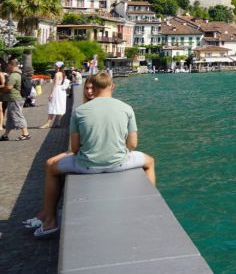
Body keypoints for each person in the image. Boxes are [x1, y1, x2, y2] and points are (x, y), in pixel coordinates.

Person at [26, 72, 155, 237]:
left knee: (51, 168)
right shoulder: (126, 108)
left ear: (92, 88)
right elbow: (133, 144)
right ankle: (148, 207)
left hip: (86, 166)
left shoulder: (79, 111)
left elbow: (74, 148)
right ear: (112, 86)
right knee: (150, 162)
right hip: (118, 164)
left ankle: (50, 220)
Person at [1, 57, 30, 141]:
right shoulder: (19, 73)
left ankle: (26, 134)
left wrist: (2, 90)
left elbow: (9, 87)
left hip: (15, 99)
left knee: (17, 116)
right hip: (15, 99)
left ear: (11, 65)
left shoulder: (14, 75)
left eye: (8, 64)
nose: (7, 66)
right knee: (10, 117)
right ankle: (5, 135)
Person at [40, 62, 70, 129]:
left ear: (58, 67)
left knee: (52, 106)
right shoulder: (63, 73)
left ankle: (47, 123)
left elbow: (55, 84)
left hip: (57, 91)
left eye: (55, 66)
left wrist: (51, 94)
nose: (54, 67)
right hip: (62, 92)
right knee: (60, 106)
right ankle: (58, 122)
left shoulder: (57, 74)